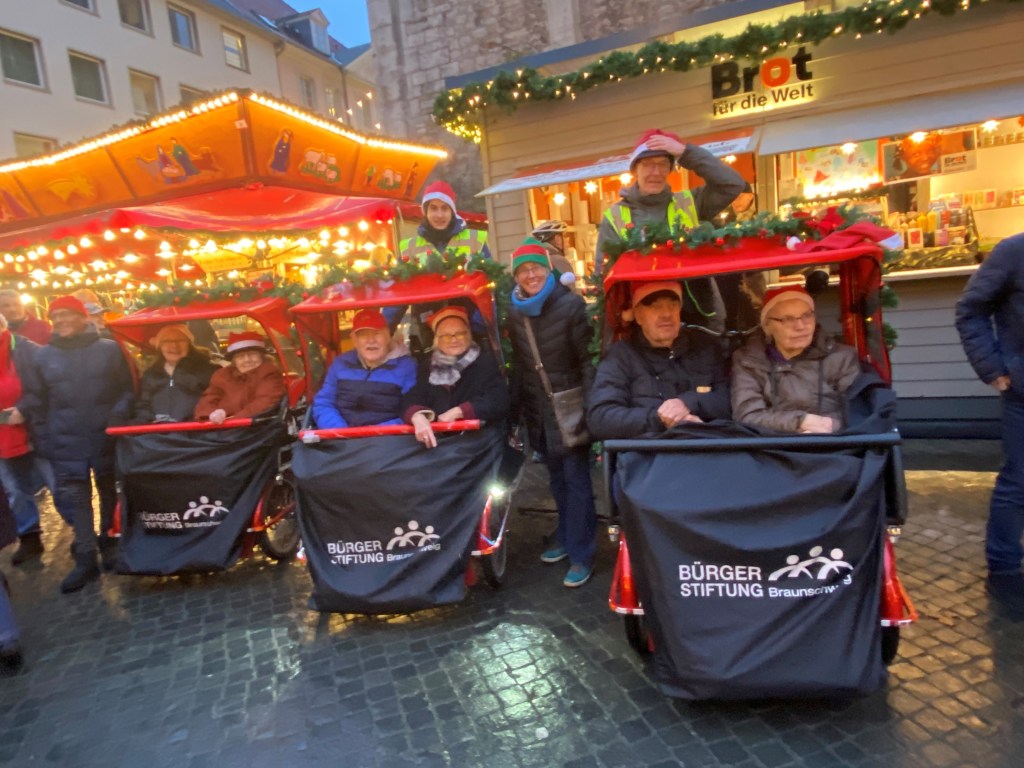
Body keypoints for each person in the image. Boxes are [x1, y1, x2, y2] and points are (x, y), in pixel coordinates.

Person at [18, 295, 134, 593]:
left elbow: (128, 387)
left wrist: (117, 418)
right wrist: (45, 438)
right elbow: (37, 399)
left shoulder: (109, 349)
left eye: (67, 314)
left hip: (104, 434)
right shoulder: (42, 357)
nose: (60, 320)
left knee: (108, 490)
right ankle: (85, 556)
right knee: (77, 500)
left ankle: (110, 543)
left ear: (84, 318)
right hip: (65, 439)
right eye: (55, 316)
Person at [505, 240, 596, 588]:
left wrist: (591, 405)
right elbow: (520, 366)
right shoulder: (514, 311)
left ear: (549, 270)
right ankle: (566, 534)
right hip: (538, 409)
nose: (530, 275)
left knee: (577, 481)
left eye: (536, 268)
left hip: (569, 406)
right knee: (556, 480)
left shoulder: (571, 306)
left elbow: (587, 360)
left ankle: (582, 553)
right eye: (523, 270)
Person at [955, 232, 1024, 612]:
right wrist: (993, 368)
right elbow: (970, 310)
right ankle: (1005, 570)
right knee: (1018, 484)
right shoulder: (1014, 251)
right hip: (1023, 392)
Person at [588, 281, 731, 440]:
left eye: (673, 305)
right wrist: (661, 419)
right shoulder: (621, 357)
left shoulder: (706, 348)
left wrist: (688, 403)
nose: (666, 314)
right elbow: (600, 418)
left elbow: (728, 401)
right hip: (649, 455)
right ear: (638, 315)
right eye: (655, 306)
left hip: (709, 448)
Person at [595, 129, 746, 277]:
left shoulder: (691, 202)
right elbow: (604, 276)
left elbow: (732, 184)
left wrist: (685, 152)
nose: (656, 172)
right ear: (635, 170)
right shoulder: (615, 217)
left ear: (670, 169)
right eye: (647, 164)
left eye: (663, 164)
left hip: (695, 299)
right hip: (641, 300)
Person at [730, 286, 862, 433]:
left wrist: (829, 426)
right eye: (787, 319)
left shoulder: (843, 357)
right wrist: (800, 422)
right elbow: (747, 415)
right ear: (767, 326)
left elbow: (858, 411)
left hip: (835, 446)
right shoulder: (748, 360)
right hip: (772, 448)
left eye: (807, 315)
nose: (800, 326)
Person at [404, 306, 509, 449]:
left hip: (478, 440)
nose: (453, 340)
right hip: (438, 440)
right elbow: (414, 396)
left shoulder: (485, 362)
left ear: (469, 335)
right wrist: (418, 416)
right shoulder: (427, 366)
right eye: (446, 336)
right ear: (437, 340)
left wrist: (460, 411)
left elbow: (498, 399)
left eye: (459, 334)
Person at [0, 314, 51, 565]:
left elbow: (46, 386)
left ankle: (84, 534)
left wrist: (24, 408)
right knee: (14, 490)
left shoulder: (25, 350)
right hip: (1, 437)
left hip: (36, 429)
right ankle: (29, 536)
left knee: (58, 484)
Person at [312, 309, 416, 428]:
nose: (371, 341)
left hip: (387, 439)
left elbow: (412, 408)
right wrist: (339, 430)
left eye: (377, 333)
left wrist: (374, 433)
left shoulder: (407, 366)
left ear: (388, 336)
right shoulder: (340, 363)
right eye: (363, 335)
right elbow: (323, 403)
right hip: (340, 438)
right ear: (354, 340)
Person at [134, 324, 220, 424]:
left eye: (180, 340)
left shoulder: (209, 370)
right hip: (157, 432)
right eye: (167, 341)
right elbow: (143, 405)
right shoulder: (151, 375)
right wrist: (147, 421)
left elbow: (217, 399)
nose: (174, 346)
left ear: (189, 344)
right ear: (159, 346)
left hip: (196, 431)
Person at [194, 332, 286, 424]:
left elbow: (263, 403)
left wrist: (231, 421)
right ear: (234, 361)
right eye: (241, 356)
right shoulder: (222, 375)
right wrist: (211, 414)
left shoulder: (269, 373)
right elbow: (208, 399)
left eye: (252, 354)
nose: (247, 360)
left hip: (254, 427)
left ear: (261, 356)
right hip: (221, 427)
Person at [399, 181, 491, 264]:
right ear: (426, 212)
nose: (439, 215)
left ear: (452, 212)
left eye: (444, 208)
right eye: (433, 208)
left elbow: (492, 276)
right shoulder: (409, 248)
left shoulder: (475, 240)